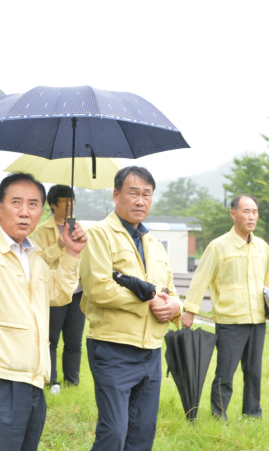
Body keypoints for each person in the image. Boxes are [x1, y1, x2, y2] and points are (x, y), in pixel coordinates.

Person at [0, 173, 87, 451]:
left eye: (33, 204)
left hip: (31, 378)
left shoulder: (33, 253)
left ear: (42, 212)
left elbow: (58, 292)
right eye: (16, 202)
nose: (24, 212)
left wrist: (73, 253)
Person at [79, 166, 183, 451]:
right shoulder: (99, 234)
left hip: (151, 352)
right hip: (113, 348)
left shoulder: (154, 244)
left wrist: (175, 305)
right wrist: (147, 302)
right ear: (116, 195)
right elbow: (98, 289)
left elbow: (171, 292)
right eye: (133, 193)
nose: (140, 201)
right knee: (114, 432)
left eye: (146, 195)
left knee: (142, 434)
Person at [181, 194, 269, 420]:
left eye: (254, 212)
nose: (251, 216)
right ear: (233, 213)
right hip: (230, 321)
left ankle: (252, 414)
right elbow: (201, 279)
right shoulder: (217, 247)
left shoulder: (262, 247)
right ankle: (219, 415)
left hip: (257, 320)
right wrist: (190, 310)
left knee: (253, 372)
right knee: (225, 374)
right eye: (246, 211)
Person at [33, 185, 86, 395]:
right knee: (52, 338)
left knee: (74, 340)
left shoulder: (78, 227)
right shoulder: (42, 230)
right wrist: (60, 245)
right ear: (53, 204)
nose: (70, 205)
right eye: (66, 201)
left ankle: (72, 382)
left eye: (72, 200)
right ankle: (51, 380)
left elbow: (84, 258)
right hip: (53, 289)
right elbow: (39, 259)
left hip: (77, 291)